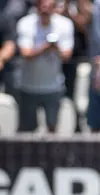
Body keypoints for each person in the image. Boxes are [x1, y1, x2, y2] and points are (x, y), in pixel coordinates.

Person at [16, 0, 75, 133]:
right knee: (27, 131)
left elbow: (66, 56)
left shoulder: (65, 24)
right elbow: (26, 54)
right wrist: (46, 47)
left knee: (53, 129)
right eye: (42, 7)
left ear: (54, 8)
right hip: (28, 87)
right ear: (37, 7)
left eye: (49, 7)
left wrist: (56, 48)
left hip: (53, 87)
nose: (45, 11)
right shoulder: (25, 23)